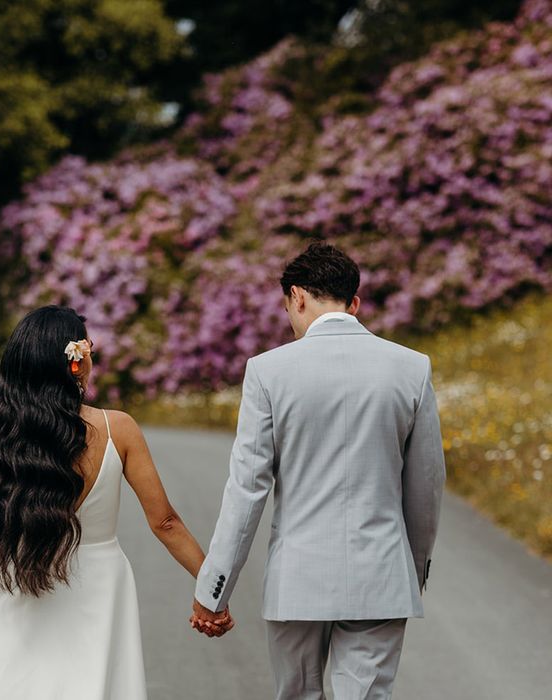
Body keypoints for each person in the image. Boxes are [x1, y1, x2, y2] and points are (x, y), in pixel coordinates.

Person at [189, 242, 446, 699]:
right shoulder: (412, 368)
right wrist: (414, 565)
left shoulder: (267, 372)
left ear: (298, 297)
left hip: (298, 579)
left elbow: (247, 491)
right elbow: (426, 484)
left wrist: (214, 590)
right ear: (355, 303)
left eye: (288, 306)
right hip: (382, 576)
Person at [0, 305, 233, 700]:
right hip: (98, 584)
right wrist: (212, 593)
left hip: (15, 577)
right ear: (76, 363)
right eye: (90, 348)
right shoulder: (118, 428)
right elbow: (165, 522)